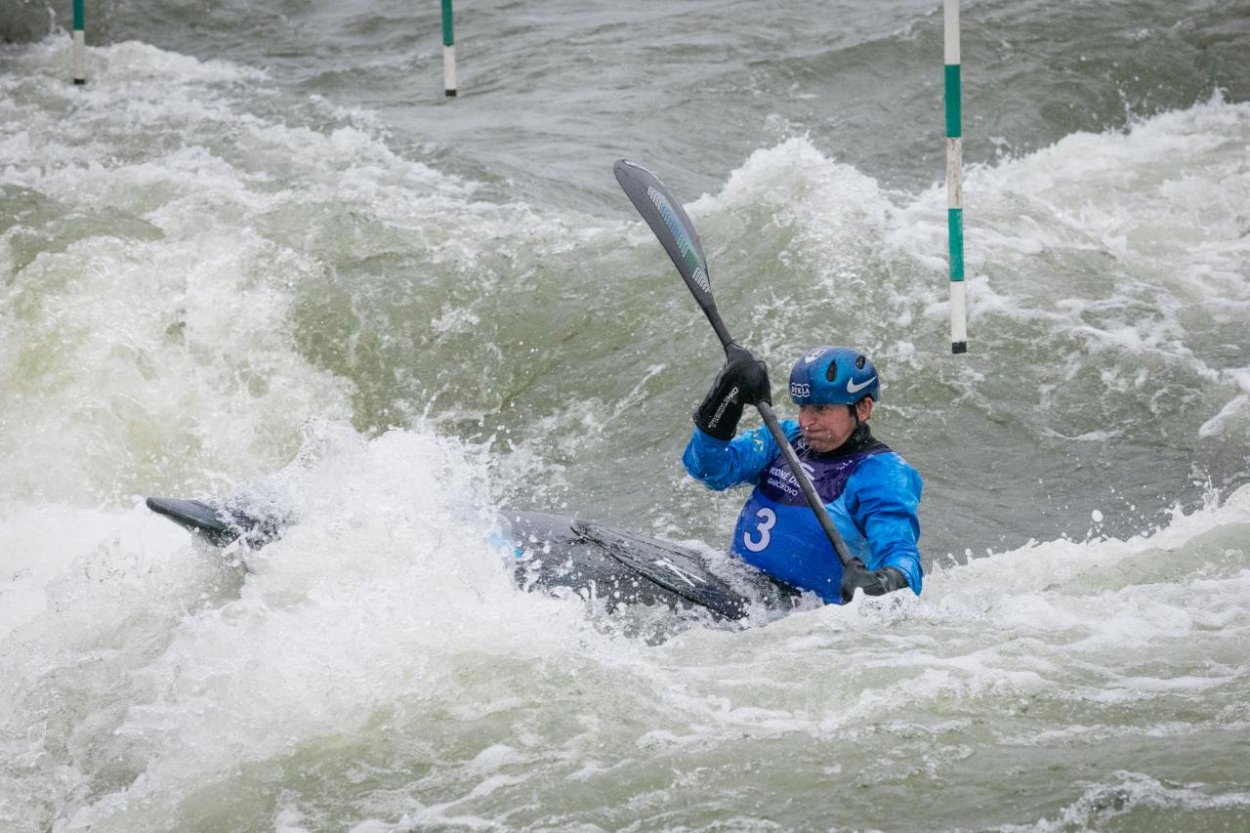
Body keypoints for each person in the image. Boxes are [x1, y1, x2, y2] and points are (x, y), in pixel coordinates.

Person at [682, 344, 923, 604]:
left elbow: (902, 554)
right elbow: (709, 470)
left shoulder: (881, 474)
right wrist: (725, 400)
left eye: (821, 408)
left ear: (863, 408)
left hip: (798, 617)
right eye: (803, 407)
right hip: (736, 582)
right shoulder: (784, 438)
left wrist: (884, 582)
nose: (806, 422)